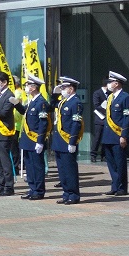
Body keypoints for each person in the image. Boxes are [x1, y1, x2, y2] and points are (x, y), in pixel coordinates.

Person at [10, 74, 50, 200]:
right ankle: (32, 188)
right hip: (27, 139)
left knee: (37, 166)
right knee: (29, 166)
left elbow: (43, 123)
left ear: (33, 87)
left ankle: (38, 191)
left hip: (35, 139)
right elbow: (23, 112)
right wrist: (16, 104)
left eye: (27, 85)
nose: (26, 87)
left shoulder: (41, 103)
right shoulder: (31, 101)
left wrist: (40, 141)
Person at [50, 76, 83, 205]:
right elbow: (52, 105)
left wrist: (72, 141)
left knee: (70, 170)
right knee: (62, 171)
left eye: (64, 88)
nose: (62, 90)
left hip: (68, 140)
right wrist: (54, 93)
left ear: (71, 89)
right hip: (59, 141)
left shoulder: (76, 103)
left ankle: (73, 195)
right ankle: (66, 193)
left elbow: (76, 124)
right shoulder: (63, 101)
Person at [102, 71, 129, 196]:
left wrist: (124, 135)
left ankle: (122, 188)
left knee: (120, 163)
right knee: (111, 164)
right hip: (108, 135)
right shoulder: (110, 97)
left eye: (111, 82)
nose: (109, 84)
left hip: (118, 135)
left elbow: (127, 118)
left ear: (117, 83)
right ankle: (114, 186)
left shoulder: (125, 97)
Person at [90, 77, 109, 162]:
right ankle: (93, 154)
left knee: (105, 138)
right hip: (100, 118)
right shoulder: (97, 93)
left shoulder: (110, 94)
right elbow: (96, 105)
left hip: (107, 119)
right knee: (97, 137)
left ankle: (103, 155)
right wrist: (106, 109)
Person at [11, 75, 23, 174]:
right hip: (12, 126)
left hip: (17, 125)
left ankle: (15, 167)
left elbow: (18, 112)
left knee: (15, 149)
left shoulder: (19, 93)